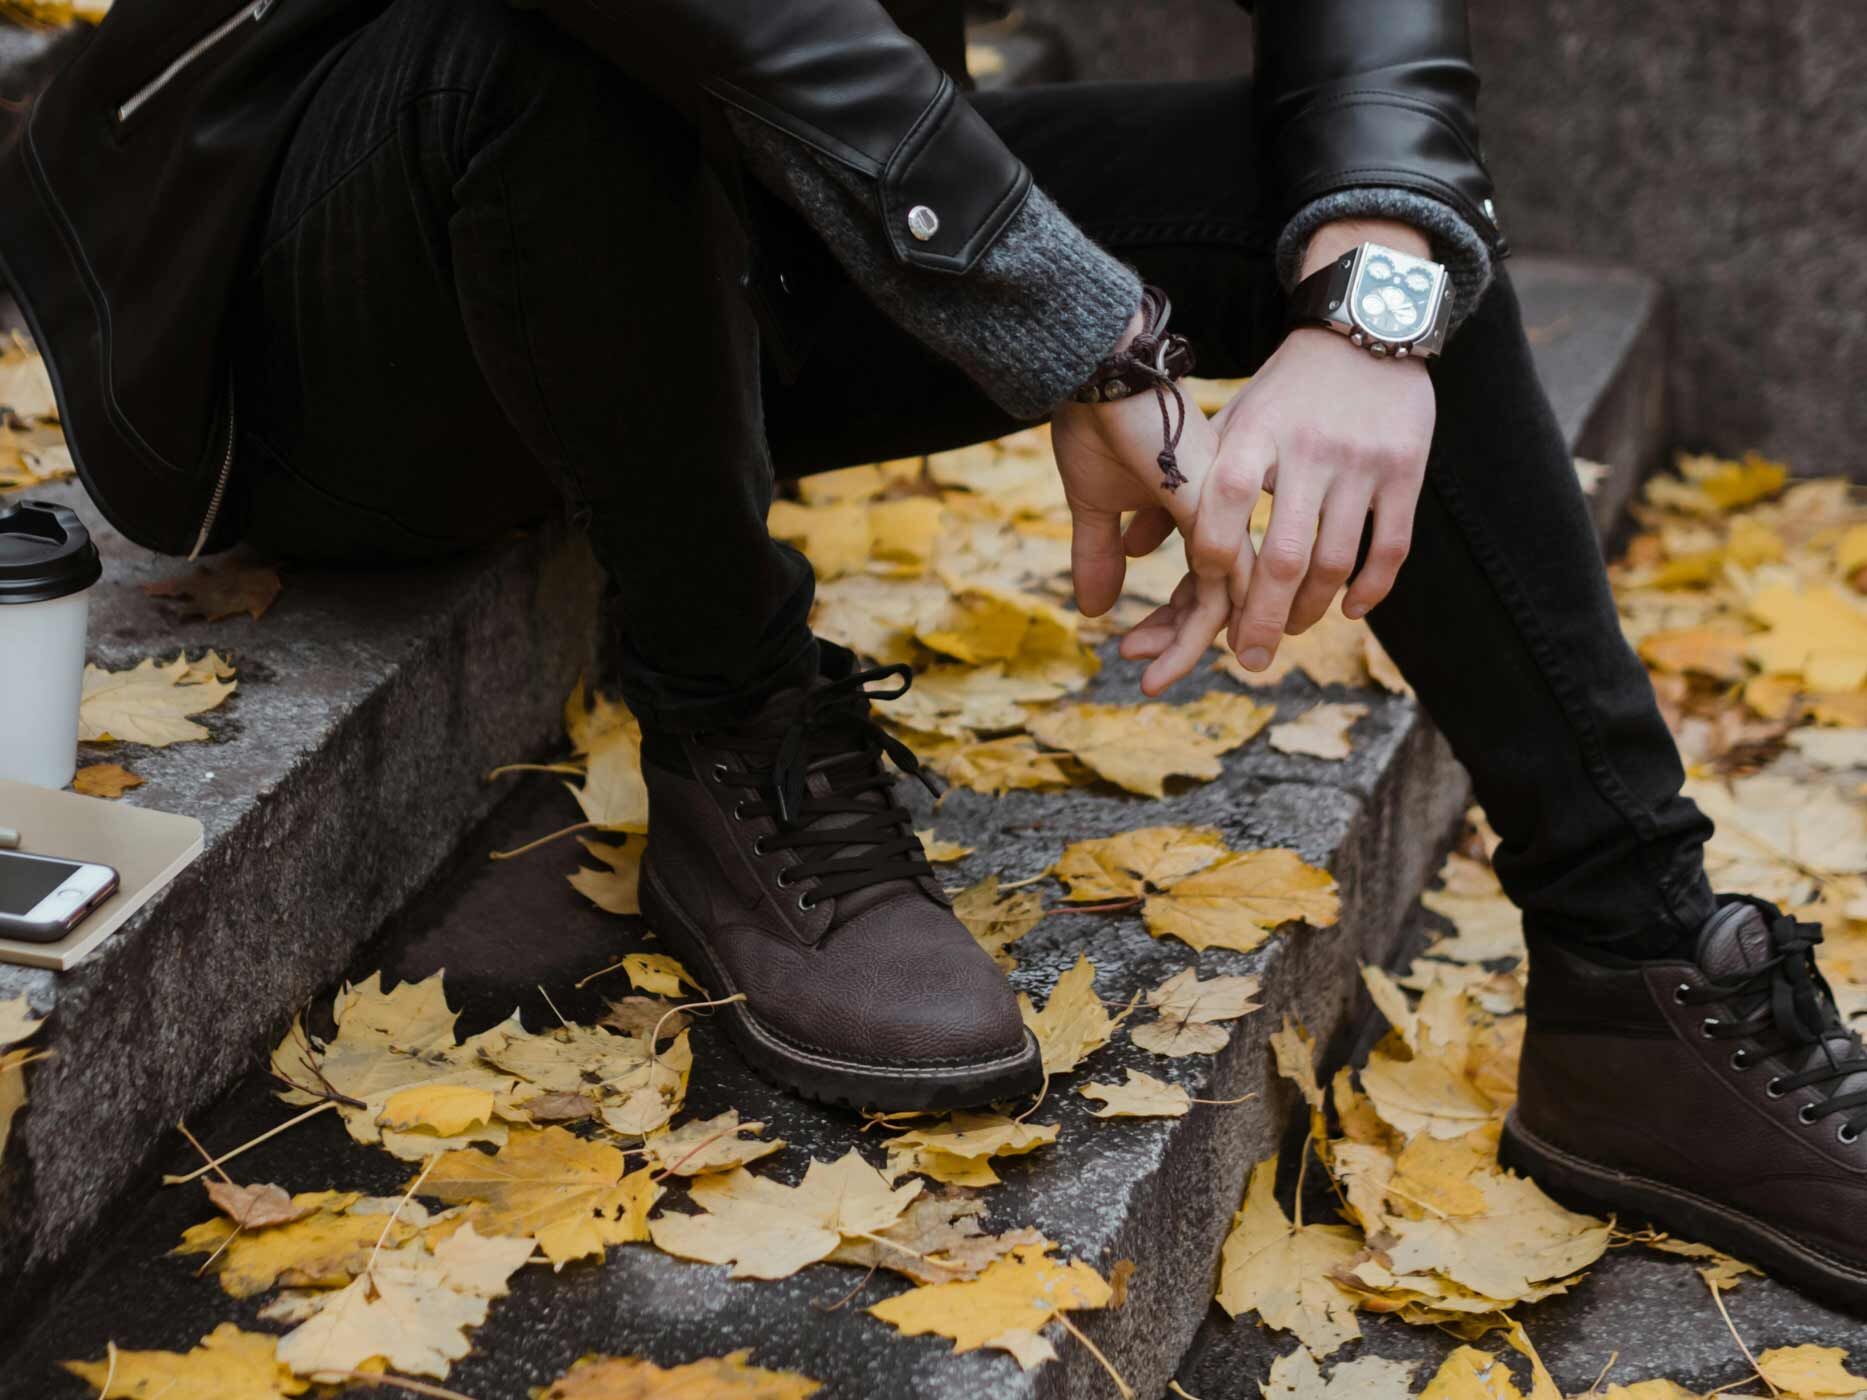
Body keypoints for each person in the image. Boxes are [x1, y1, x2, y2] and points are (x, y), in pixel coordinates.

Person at [4, 0, 1865, 1313]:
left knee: (1335, 216)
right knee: (555, 49)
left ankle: (1638, 968)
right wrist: (1071, 330)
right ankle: (736, 731)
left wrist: (1373, 298)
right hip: (320, 311)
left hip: (735, 229)